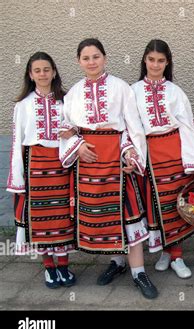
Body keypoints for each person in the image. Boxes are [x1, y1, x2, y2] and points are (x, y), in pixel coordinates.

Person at [59, 38, 157, 299]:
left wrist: (131, 156)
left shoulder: (121, 87)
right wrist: (77, 146)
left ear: (105, 58)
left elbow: (132, 125)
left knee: (128, 216)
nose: (91, 62)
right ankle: (117, 262)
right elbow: (65, 129)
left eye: (96, 56)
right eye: (86, 58)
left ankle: (139, 272)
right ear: (79, 61)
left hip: (117, 158)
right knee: (104, 215)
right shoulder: (73, 94)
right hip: (88, 163)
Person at [131, 39, 194, 279]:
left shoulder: (175, 92)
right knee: (156, 205)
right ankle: (165, 252)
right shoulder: (132, 91)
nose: (155, 65)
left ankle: (177, 256)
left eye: (161, 60)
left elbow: (188, 126)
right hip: (150, 155)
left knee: (177, 204)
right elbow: (130, 127)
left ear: (167, 62)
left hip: (175, 152)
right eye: (151, 60)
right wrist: (133, 156)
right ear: (145, 60)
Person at [7, 51, 76, 289]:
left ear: (54, 71)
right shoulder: (23, 105)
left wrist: (73, 132)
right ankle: (49, 268)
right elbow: (17, 141)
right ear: (30, 74)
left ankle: (65, 266)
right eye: (37, 70)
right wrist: (18, 176)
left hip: (62, 164)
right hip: (36, 165)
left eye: (46, 69)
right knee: (42, 219)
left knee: (63, 218)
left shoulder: (67, 100)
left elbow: (78, 128)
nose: (43, 74)